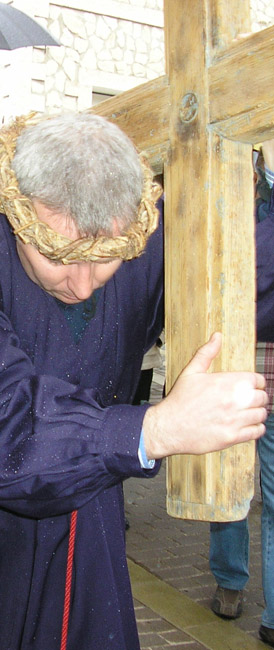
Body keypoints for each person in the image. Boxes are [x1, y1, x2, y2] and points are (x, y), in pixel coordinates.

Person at [0, 112, 274, 649]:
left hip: (85, 519)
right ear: (21, 210)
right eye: (61, 258)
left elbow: (246, 271)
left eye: (107, 260)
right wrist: (152, 431)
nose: (85, 285)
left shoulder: (143, 232)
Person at [208, 139, 274, 646]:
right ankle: (230, 582)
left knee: (257, 487)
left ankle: (252, 599)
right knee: (227, 476)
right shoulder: (230, 189)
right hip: (230, 349)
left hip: (252, 345)